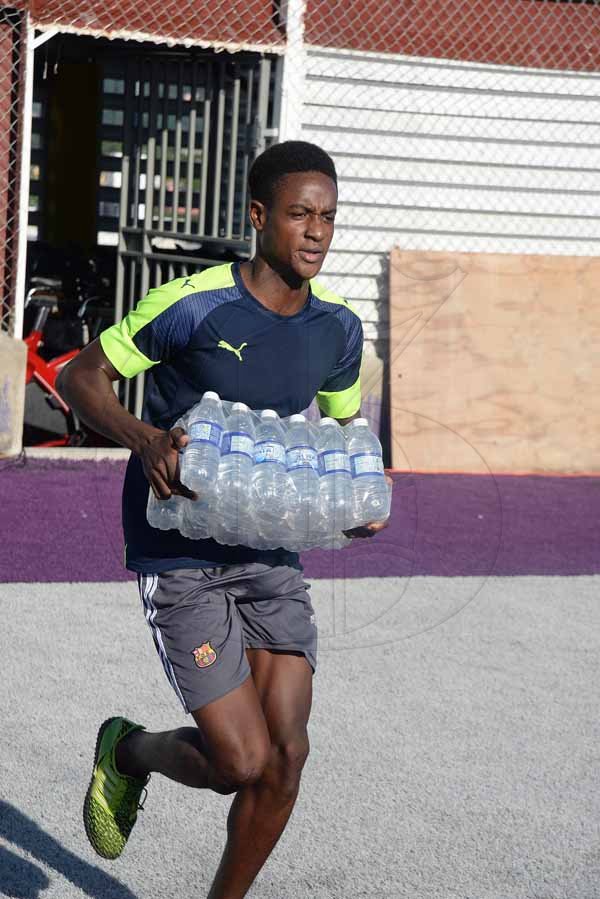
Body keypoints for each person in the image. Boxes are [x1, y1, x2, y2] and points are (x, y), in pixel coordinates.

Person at [57, 140, 390, 899]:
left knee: (288, 755)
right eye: (301, 214)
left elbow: (342, 438)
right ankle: (129, 751)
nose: (316, 232)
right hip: (179, 550)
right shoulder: (194, 304)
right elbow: (81, 374)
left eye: (329, 218)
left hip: (270, 548)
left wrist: (359, 496)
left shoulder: (337, 329)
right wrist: (143, 438)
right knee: (239, 760)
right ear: (258, 216)